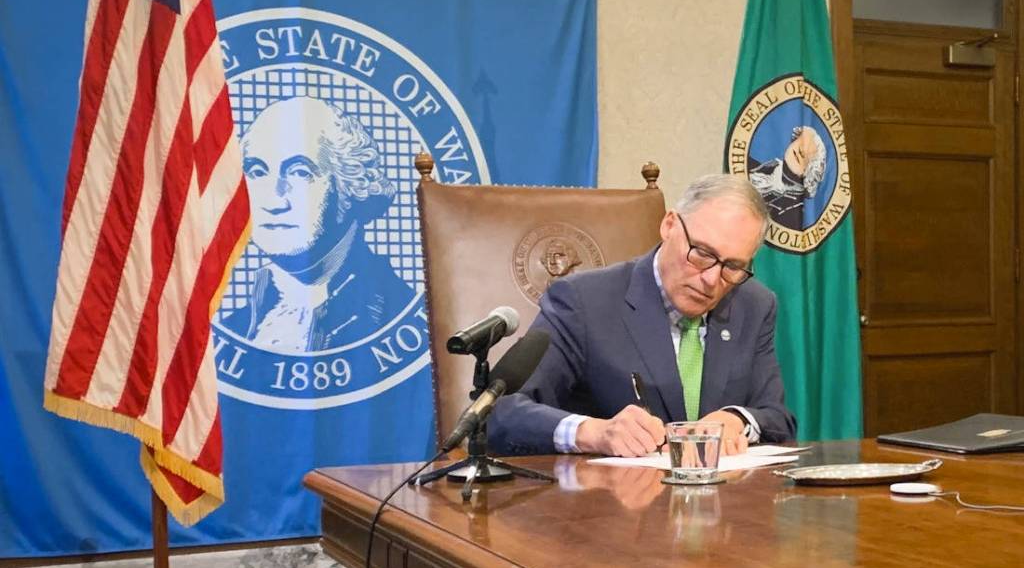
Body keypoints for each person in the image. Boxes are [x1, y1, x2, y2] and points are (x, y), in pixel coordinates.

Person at [488, 174, 796, 457]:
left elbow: (776, 417)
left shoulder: (754, 305)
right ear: (669, 225)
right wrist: (594, 432)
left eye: (732, 266)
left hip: (721, 508)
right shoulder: (583, 302)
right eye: (702, 253)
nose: (712, 280)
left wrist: (736, 420)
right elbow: (501, 413)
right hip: (608, 508)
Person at [220, 96, 413, 352]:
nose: (273, 199)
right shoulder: (232, 329)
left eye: (300, 172)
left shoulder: (398, 315)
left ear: (351, 186)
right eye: (257, 172)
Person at [749, 125, 826, 229]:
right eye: (801, 141)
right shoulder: (751, 166)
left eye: (810, 155)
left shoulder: (792, 217)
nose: (802, 151)